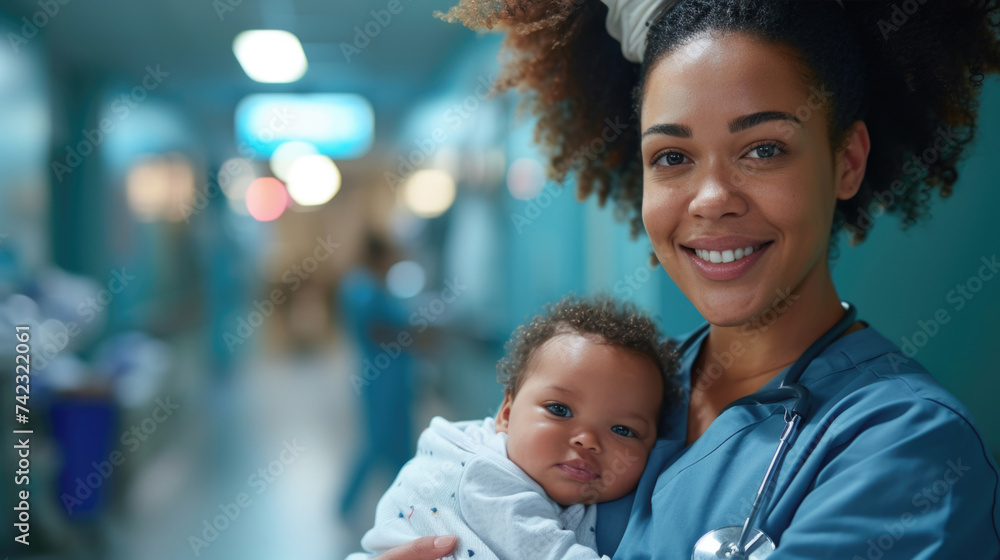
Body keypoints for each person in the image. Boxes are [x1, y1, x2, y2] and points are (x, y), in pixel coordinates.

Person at [376, 0, 1000, 558]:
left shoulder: (903, 445)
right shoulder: (618, 390)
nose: (711, 200)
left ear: (847, 161)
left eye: (763, 148)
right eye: (672, 158)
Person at [347, 295, 680, 560]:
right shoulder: (486, 476)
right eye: (559, 410)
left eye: (623, 430)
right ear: (505, 413)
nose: (587, 440)